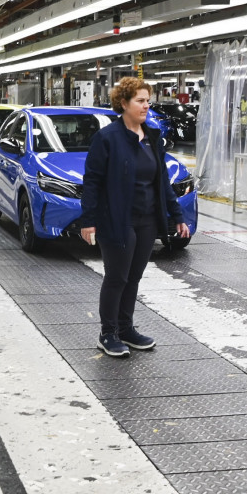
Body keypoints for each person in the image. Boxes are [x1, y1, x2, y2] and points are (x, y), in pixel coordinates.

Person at [78, 77, 191, 358]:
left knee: (134, 277)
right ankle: (108, 333)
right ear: (124, 103)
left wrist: (177, 215)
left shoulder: (151, 136)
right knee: (117, 277)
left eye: (147, 101)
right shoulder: (107, 138)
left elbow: (161, 180)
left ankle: (126, 329)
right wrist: (88, 220)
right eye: (140, 101)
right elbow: (92, 182)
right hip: (117, 219)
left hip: (147, 219)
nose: (146, 106)